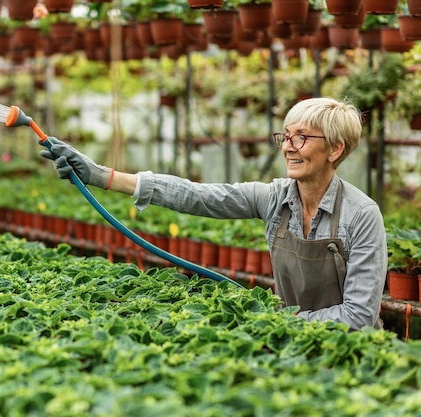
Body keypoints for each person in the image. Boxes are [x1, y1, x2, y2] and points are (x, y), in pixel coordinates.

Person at [39, 97, 387, 331]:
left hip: (354, 353)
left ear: (335, 148)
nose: (287, 147)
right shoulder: (273, 198)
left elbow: (358, 317)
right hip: (292, 339)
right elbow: (197, 196)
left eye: (302, 138)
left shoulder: (361, 216)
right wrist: (101, 176)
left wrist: (283, 318)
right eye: (286, 136)